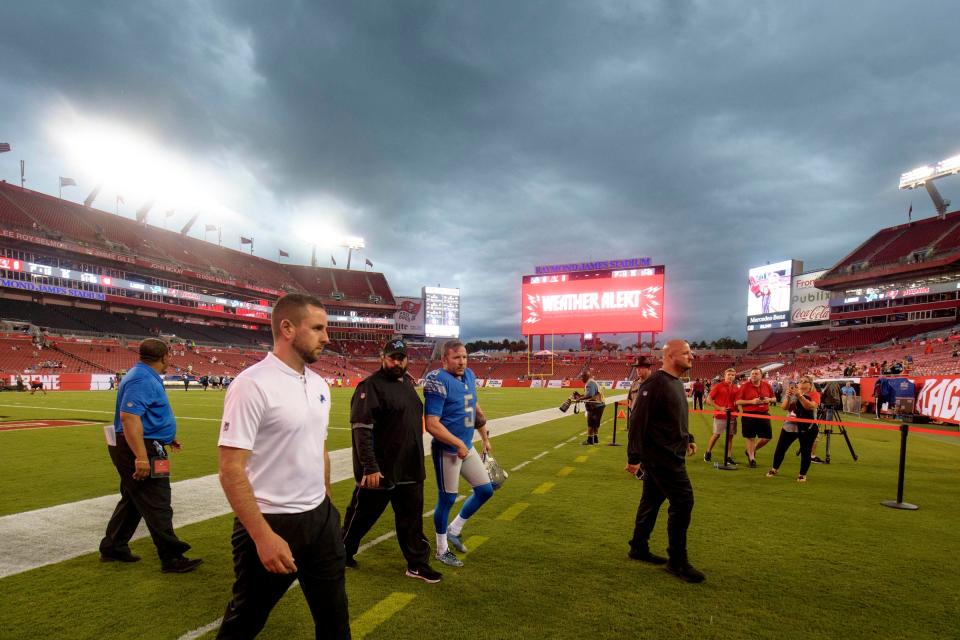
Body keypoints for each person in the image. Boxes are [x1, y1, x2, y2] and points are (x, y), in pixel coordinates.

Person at [216, 294, 350, 639]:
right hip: (272, 521)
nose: (326, 337)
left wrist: (327, 507)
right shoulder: (252, 384)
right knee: (246, 620)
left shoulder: (320, 384)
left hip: (320, 520)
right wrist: (262, 537)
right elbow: (231, 468)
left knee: (335, 622)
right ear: (287, 328)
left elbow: (319, 447)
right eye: (318, 328)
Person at [341, 338, 442, 583]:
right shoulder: (370, 387)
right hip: (381, 469)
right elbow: (362, 430)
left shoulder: (407, 384)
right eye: (393, 357)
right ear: (383, 358)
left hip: (410, 466)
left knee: (412, 519)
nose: (397, 362)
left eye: (401, 357)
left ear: (407, 359)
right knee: (361, 517)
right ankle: (341, 553)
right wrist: (370, 466)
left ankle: (417, 564)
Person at [99, 338, 201, 573]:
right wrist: (142, 456)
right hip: (142, 447)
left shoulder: (142, 375)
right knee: (158, 499)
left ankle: (113, 546)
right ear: (165, 356)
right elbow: (129, 417)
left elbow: (143, 416)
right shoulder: (142, 378)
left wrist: (166, 437)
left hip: (147, 443)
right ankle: (172, 557)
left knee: (134, 500)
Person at [625, 339, 704, 583]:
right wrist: (634, 458)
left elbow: (675, 417)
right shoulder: (655, 383)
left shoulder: (676, 383)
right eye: (686, 353)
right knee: (683, 502)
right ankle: (677, 561)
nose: (692, 356)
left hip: (671, 453)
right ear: (669, 356)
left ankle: (638, 547)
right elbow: (638, 421)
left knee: (651, 500)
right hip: (662, 458)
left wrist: (687, 437)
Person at [424, 339, 493, 568]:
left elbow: (475, 407)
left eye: (464, 356)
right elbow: (432, 424)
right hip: (447, 450)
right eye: (457, 357)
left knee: (485, 490)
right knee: (447, 498)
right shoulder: (437, 380)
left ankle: (455, 530)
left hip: (466, 445)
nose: (462, 361)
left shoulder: (470, 375)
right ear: (444, 359)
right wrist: (457, 444)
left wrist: (484, 436)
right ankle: (442, 550)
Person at [766, 376, 821, 482]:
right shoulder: (794, 392)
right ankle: (774, 468)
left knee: (806, 451)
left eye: (805, 382)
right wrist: (787, 396)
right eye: (800, 381)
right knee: (780, 448)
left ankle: (802, 474)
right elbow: (784, 407)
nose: (801, 383)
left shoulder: (815, 394)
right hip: (790, 425)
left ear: (810, 384)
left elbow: (810, 407)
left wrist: (799, 396)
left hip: (807, 427)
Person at [735, 368, 775, 468]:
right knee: (750, 437)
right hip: (749, 414)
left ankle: (751, 450)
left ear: (761, 375)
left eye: (756, 373)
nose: (754, 375)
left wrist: (768, 399)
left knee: (767, 437)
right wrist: (751, 402)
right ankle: (752, 458)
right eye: (752, 373)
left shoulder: (767, 385)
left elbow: (774, 398)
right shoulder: (744, 386)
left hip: (763, 413)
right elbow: (737, 402)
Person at [704, 368, 738, 464]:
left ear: (735, 376)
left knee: (730, 437)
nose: (731, 376)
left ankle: (728, 457)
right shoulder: (718, 386)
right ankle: (708, 452)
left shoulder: (736, 387)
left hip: (732, 416)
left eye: (732, 375)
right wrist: (719, 408)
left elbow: (737, 400)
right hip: (720, 416)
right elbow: (708, 399)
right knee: (716, 435)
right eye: (729, 375)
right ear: (725, 376)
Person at [579, 369, 606, 445]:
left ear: (586, 377)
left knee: (590, 423)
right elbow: (591, 394)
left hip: (596, 405)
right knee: (595, 423)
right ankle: (596, 439)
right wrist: (581, 396)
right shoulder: (592, 381)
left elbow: (590, 395)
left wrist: (579, 398)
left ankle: (590, 440)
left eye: (582, 377)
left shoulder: (589, 383)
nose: (581, 379)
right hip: (600, 404)